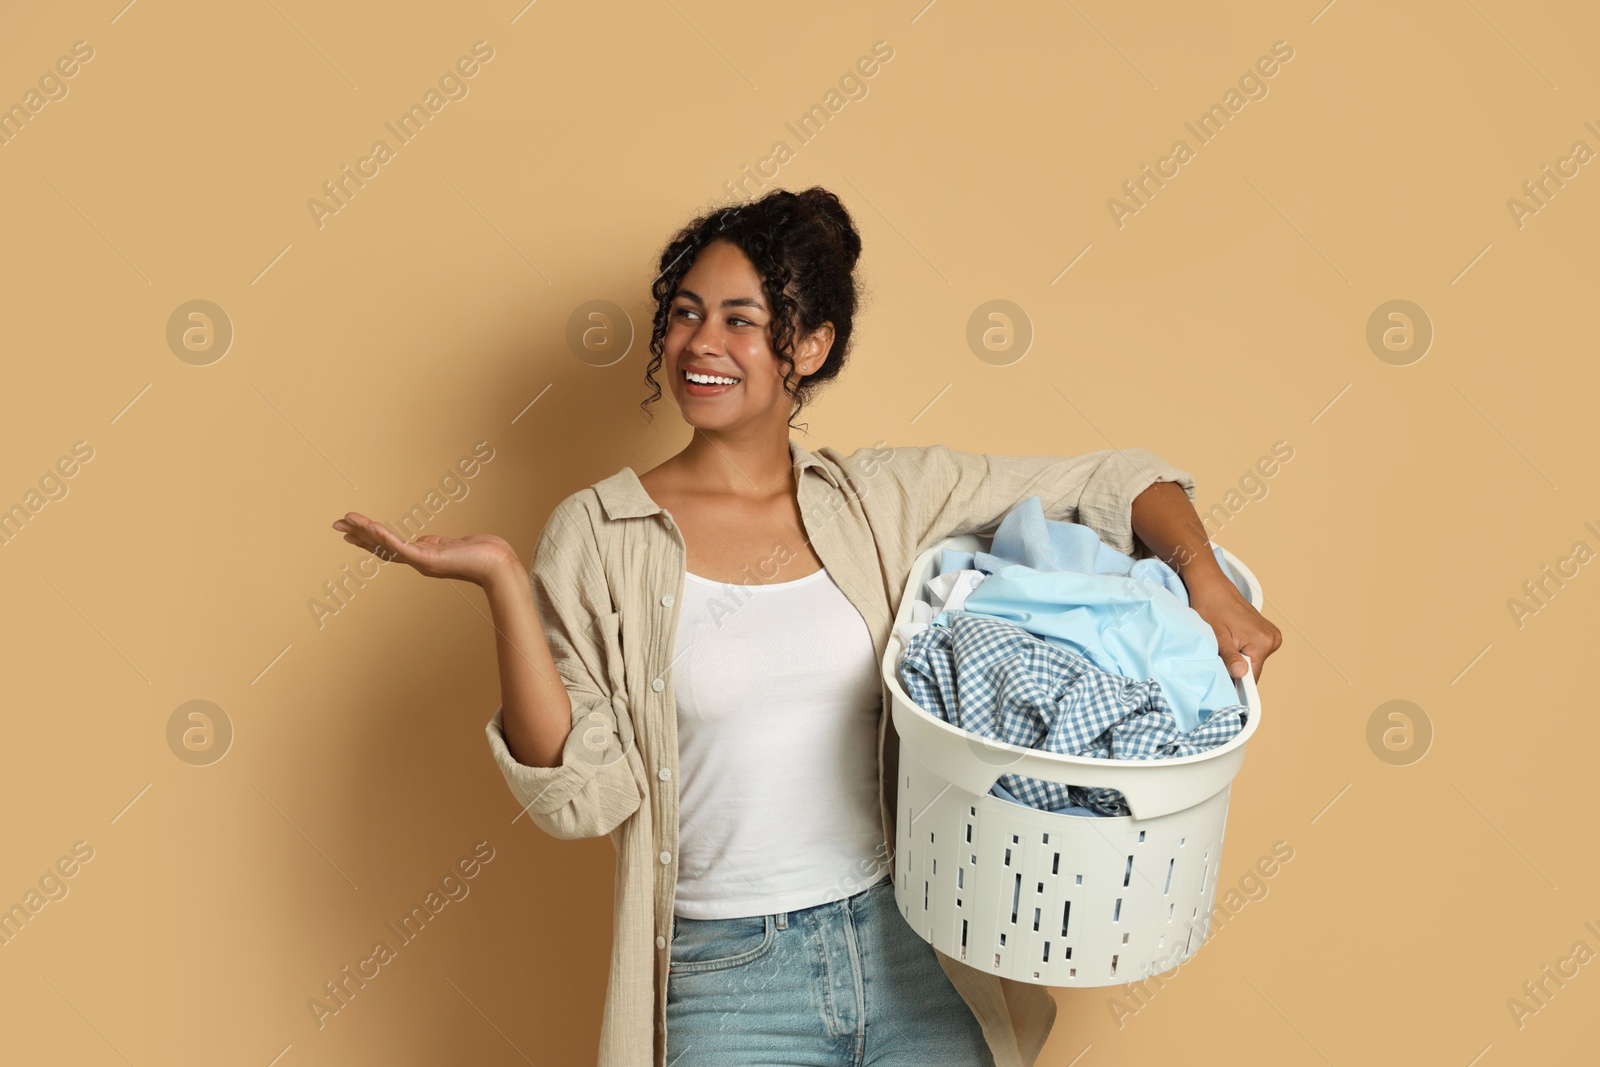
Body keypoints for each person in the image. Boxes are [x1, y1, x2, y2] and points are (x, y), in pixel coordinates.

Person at [332, 186, 1282, 1067]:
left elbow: (1111, 481)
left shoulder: (878, 501)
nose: (702, 341)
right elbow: (581, 794)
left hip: (908, 944)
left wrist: (1207, 580)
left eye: (742, 320)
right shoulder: (599, 533)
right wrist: (500, 580)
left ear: (811, 347)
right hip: (727, 979)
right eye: (688, 312)